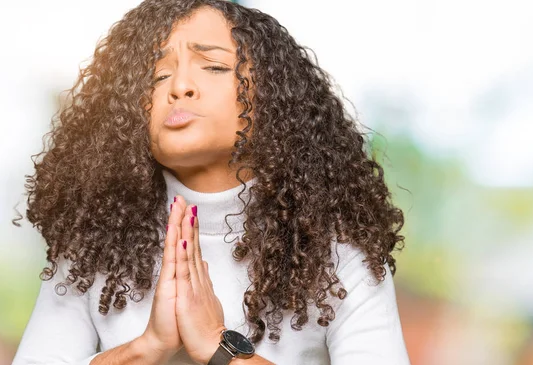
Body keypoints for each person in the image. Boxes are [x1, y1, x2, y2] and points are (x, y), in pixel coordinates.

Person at [11, 0, 411, 364]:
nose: (178, 87)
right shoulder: (93, 245)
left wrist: (220, 347)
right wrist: (147, 348)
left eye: (215, 67)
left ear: (272, 95)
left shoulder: (338, 251)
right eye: (157, 75)